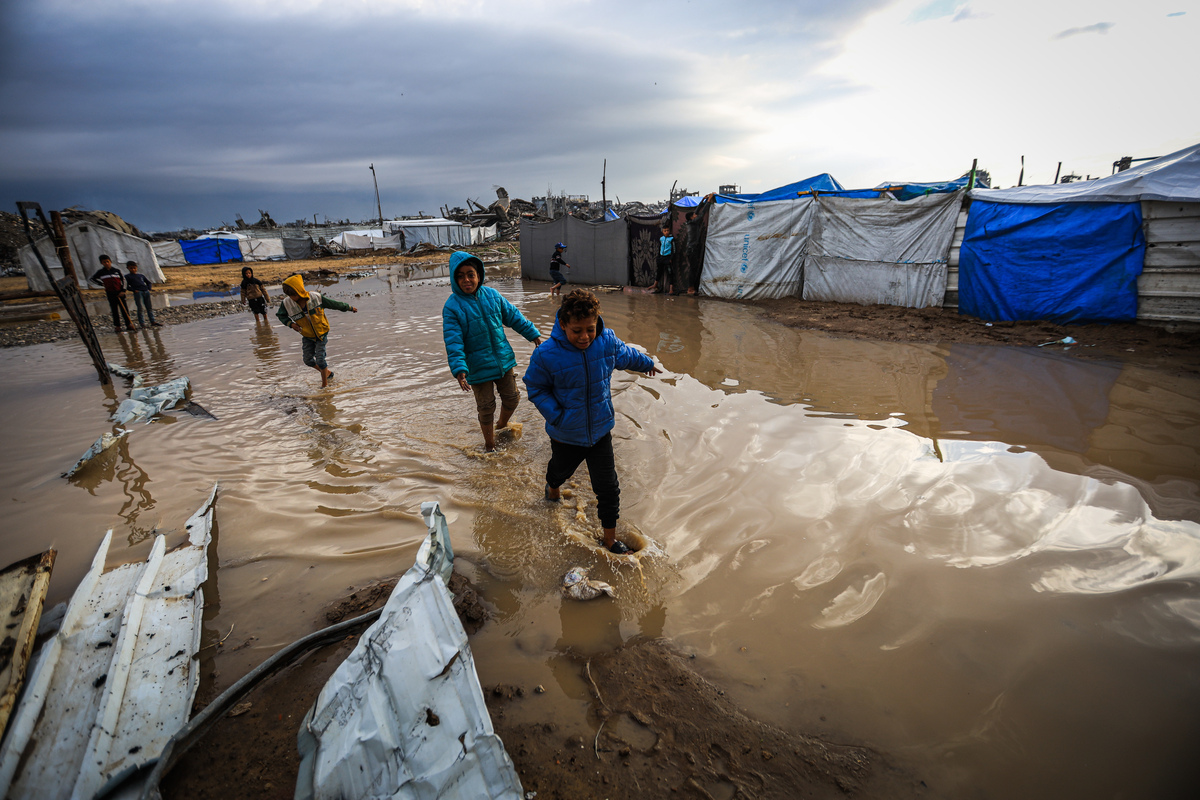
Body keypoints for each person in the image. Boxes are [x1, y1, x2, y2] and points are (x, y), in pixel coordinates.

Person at [524, 289, 660, 554]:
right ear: (563, 324)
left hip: (600, 431)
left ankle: (609, 539)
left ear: (597, 321)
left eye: (590, 328)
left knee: (608, 487)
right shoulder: (546, 354)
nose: (585, 337)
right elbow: (535, 388)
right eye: (577, 331)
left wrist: (646, 363)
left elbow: (625, 355)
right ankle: (552, 487)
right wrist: (557, 416)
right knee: (559, 472)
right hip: (566, 434)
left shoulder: (606, 340)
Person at [442, 251, 542, 451]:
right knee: (486, 408)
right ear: (454, 279)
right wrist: (460, 368)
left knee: (512, 399)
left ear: (479, 275)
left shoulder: (492, 296)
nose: (466, 280)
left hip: (503, 360)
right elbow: (453, 341)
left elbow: (514, 317)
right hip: (477, 367)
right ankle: (490, 446)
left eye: (470, 274)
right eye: (460, 276)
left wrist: (534, 335)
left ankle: (502, 425)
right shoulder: (452, 307)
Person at [276, 274, 357, 388]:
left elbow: (334, 304)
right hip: (307, 334)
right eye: (289, 295)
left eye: (294, 295)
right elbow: (281, 315)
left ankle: (324, 385)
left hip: (321, 333)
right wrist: (291, 324)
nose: (292, 297)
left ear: (300, 290)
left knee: (320, 360)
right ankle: (327, 373)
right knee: (307, 360)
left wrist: (349, 307)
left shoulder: (315, 297)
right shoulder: (287, 303)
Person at [88, 254, 136, 332]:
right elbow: (92, 279)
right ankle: (117, 326)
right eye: (104, 262)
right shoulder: (101, 272)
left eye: (107, 261)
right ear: (102, 263)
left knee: (124, 309)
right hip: (110, 293)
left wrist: (123, 291)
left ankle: (129, 324)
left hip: (120, 292)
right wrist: (102, 284)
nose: (106, 263)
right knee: (114, 310)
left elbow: (123, 281)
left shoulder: (116, 271)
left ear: (110, 261)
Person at [123, 261, 160, 328]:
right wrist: (134, 290)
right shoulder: (127, 277)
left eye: (134, 268)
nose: (133, 269)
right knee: (140, 308)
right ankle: (142, 323)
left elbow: (148, 282)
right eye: (131, 268)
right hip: (138, 293)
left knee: (149, 307)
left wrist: (149, 288)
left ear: (136, 268)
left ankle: (152, 321)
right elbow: (127, 286)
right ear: (128, 268)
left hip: (145, 291)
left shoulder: (141, 276)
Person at [650, 223, 674, 294]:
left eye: (667, 230)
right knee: (659, 271)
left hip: (667, 257)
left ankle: (671, 289)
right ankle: (655, 285)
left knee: (670, 273)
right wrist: (658, 257)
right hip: (661, 257)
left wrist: (671, 258)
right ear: (662, 232)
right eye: (665, 231)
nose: (666, 232)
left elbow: (674, 250)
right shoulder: (661, 239)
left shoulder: (671, 239)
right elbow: (659, 248)